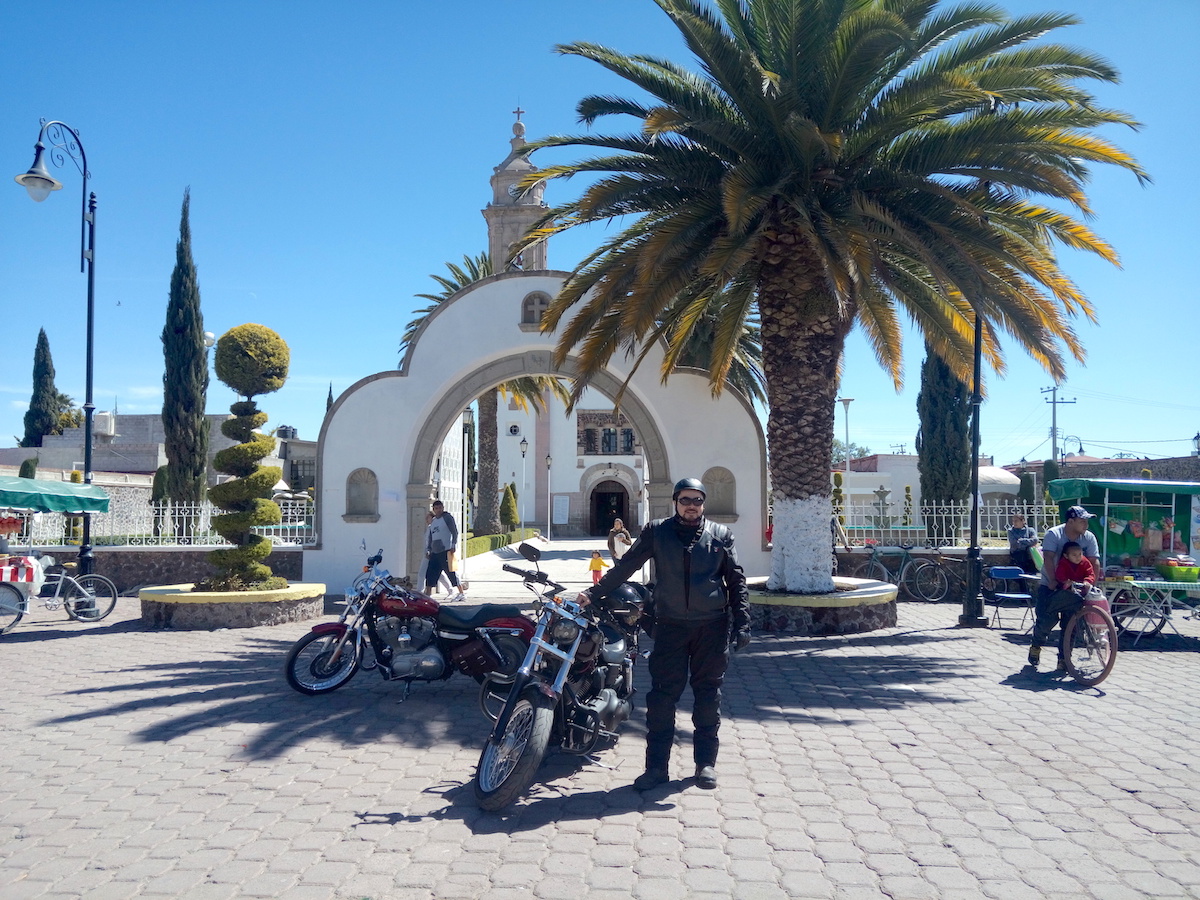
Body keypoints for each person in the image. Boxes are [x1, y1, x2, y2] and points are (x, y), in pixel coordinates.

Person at [580, 477, 749, 792]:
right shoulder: (657, 532)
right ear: (675, 502)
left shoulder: (720, 535)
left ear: (703, 504)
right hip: (670, 626)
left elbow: (736, 580)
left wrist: (743, 623)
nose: (691, 506)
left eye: (697, 500)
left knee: (708, 697)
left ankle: (705, 764)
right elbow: (627, 566)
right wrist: (593, 593)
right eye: (685, 500)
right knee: (661, 699)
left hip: (711, 627)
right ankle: (656, 768)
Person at [1029, 506, 1101, 672]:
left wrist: (1091, 585)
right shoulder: (1054, 534)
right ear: (1070, 521)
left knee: (1071, 625)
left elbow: (1094, 562)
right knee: (1046, 621)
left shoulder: (1089, 537)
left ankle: (1064, 659)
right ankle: (1036, 645)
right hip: (1051, 585)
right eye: (1082, 521)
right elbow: (1048, 558)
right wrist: (1053, 581)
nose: (1086, 524)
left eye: (1087, 521)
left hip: (1076, 590)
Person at [424, 500, 465, 602]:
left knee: (451, 573)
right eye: (436, 508)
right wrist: (428, 549)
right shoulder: (433, 521)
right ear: (433, 509)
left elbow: (454, 532)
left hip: (446, 550)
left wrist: (453, 544)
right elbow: (430, 537)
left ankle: (461, 593)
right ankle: (428, 595)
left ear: (443, 508)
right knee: (430, 574)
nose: (438, 510)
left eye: (440, 508)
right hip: (435, 552)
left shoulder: (447, 517)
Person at [416, 512, 454, 596]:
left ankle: (420, 590)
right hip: (428, 553)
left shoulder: (434, 528)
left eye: (428, 518)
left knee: (422, 572)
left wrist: (429, 551)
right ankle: (450, 589)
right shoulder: (429, 528)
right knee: (438, 574)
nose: (426, 520)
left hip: (431, 553)